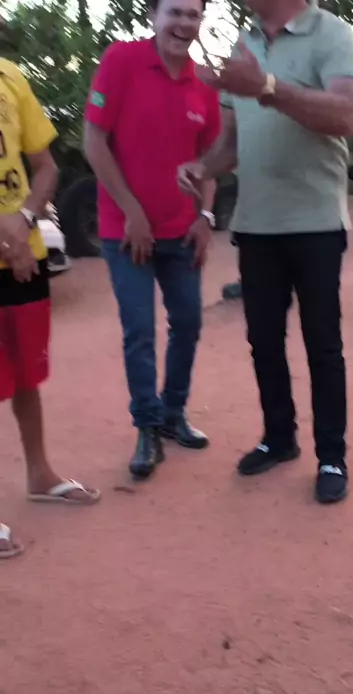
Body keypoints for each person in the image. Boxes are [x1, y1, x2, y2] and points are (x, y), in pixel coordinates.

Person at [179, 0, 353, 504]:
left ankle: (331, 456)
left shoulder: (331, 34)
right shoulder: (244, 42)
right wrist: (203, 167)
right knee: (263, 341)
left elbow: (347, 115)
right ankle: (279, 438)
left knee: (323, 344)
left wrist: (266, 87)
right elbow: (231, 142)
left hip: (316, 223)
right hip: (256, 224)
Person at [84, 0, 221, 480]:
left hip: (181, 231)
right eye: (174, 12)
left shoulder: (204, 85)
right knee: (139, 330)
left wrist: (205, 216)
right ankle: (146, 427)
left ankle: (172, 414)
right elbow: (93, 142)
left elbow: (209, 162)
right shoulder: (121, 61)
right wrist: (132, 212)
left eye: (193, 15)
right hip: (125, 233)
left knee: (188, 323)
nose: (184, 23)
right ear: (153, 16)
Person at [0, 60, 100, 560]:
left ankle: (40, 474)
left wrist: (21, 223)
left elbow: (47, 168)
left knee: (25, 376)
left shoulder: (10, 77)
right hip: (14, 250)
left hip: (25, 258)